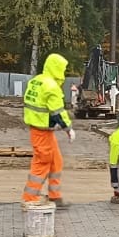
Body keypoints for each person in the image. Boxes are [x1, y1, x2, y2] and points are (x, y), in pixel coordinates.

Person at [22, 53, 74, 207]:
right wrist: (68, 129)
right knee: (42, 162)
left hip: (41, 129)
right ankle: (29, 199)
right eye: (62, 70)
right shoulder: (51, 86)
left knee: (56, 161)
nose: (63, 73)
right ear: (56, 69)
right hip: (41, 130)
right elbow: (58, 112)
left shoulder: (36, 81)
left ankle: (54, 196)